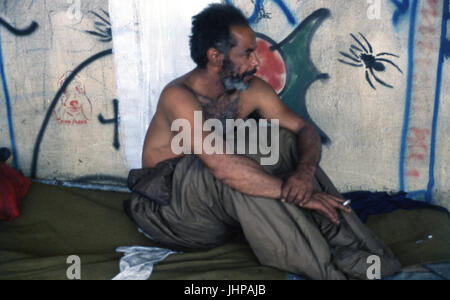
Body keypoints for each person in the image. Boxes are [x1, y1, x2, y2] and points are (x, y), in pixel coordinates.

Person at [124, 4, 401, 280]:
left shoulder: (252, 90)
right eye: (247, 53)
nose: (257, 61)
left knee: (282, 142)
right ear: (215, 57)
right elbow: (223, 168)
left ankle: (367, 256)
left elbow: (304, 129)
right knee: (231, 173)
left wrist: (303, 177)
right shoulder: (178, 96)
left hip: (221, 214)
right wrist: (298, 195)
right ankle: (326, 273)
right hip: (172, 214)